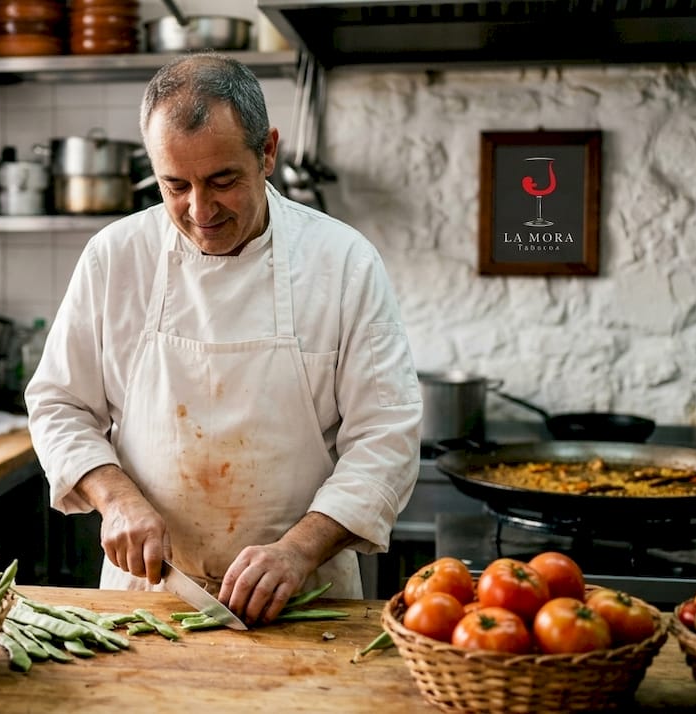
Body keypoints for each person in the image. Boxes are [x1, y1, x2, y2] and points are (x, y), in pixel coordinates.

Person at [25, 53, 421, 625]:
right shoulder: (114, 258)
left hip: (305, 600)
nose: (199, 209)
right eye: (174, 185)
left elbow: (386, 435)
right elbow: (58, 404)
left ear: (267, 152)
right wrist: (115, 499)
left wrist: (299, 549)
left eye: (222, 181)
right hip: (149, 597)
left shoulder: (343, 263)